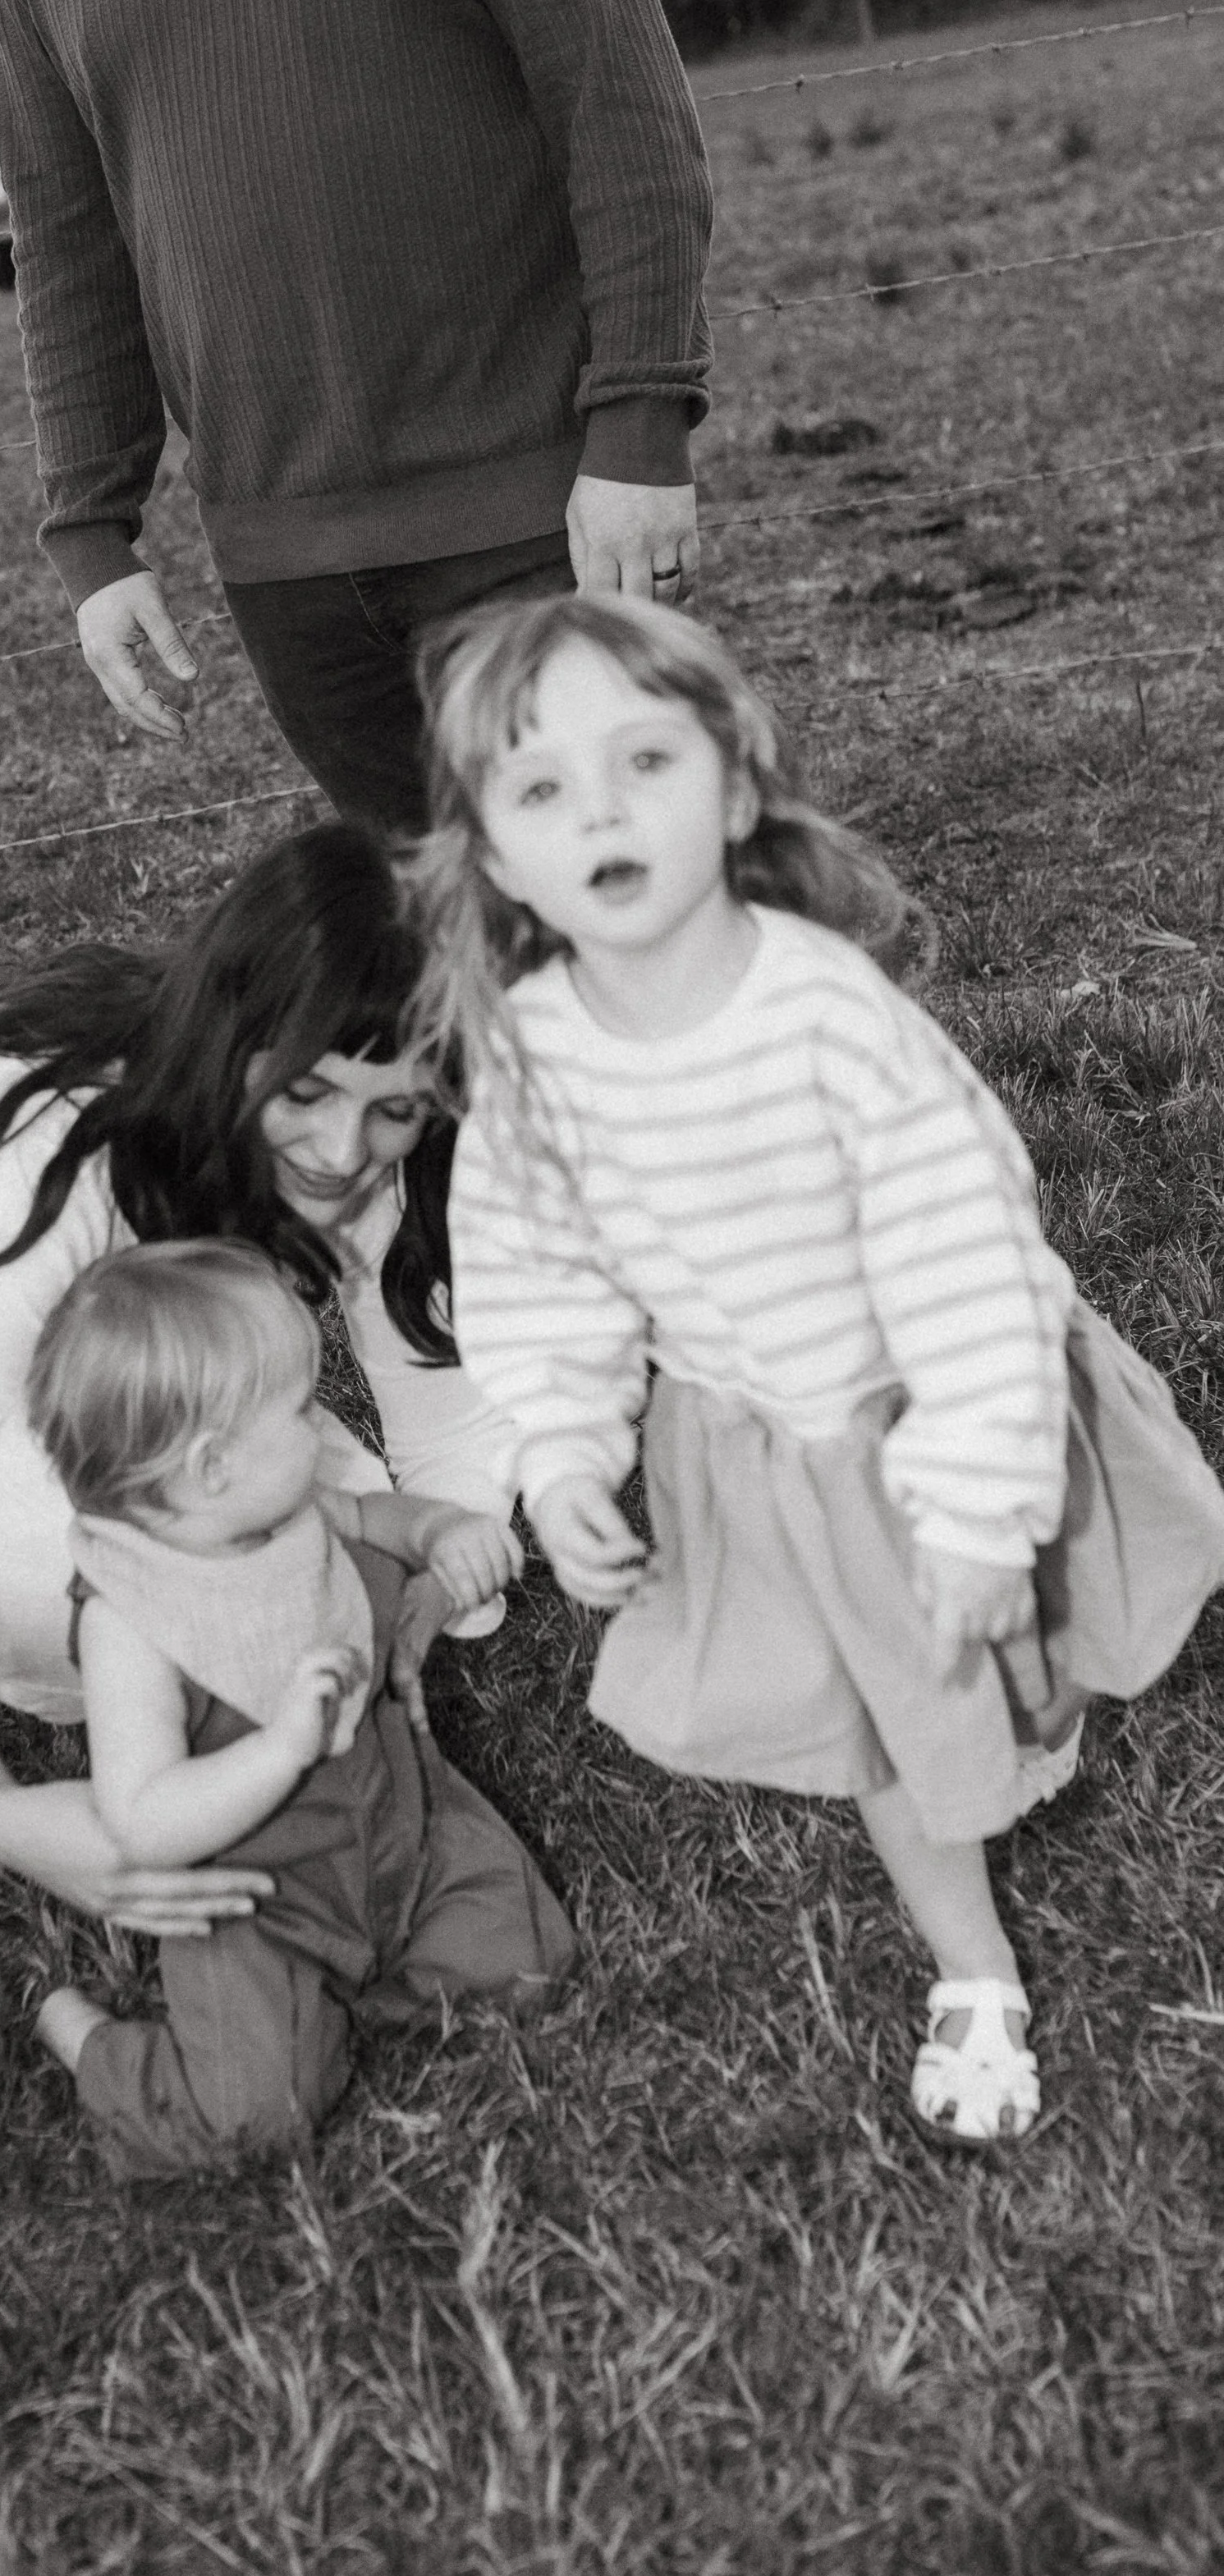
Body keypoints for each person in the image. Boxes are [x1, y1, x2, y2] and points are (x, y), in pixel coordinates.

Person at [406, 594, 1224, 2145]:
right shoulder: (526, 1060)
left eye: (641, 759)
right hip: (762, 1447)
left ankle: (1014, 1705)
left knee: (1014, 1635)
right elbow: (538, 1282)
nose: (599, 810)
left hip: (944, 1394)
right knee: (894, 1728)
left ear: (730, 787)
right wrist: (564, 1453)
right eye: (539, 789)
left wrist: (984, 1506)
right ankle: (972, 1962)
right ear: (496, 856)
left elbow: (968, 1263)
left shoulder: (829, 1017)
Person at [0, 0, 714, 835]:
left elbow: (618, 104)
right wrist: (91, 535)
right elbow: (69, 239)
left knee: (645, 907)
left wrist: (642, 428)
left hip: (537, 516)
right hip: (285, 565)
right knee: (448, 950)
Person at [0, 821, 538, 1930]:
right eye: (305, 1091)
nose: (345, 1149)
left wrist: (434, 1585)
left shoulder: (371, 1145)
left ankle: (220, 1672)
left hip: (124, 1379)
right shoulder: (55, 1160)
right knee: (74, 1526)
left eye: (395, 1109)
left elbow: (450, 1427)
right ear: (232, 1034)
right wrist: (1, 1815)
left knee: (275, 1477)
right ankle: (82, 1655)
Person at [25, 1239, 575, 2174]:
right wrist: (277, 1749)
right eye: (298, 1410)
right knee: (255, 2116)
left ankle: (357, 1992)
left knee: (529, 1961)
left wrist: (439, 1528)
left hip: (402, 1826)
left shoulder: (278, 1506)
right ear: (209, 1467)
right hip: (261, 1903)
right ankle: (95, 2046)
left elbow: (371, 1521)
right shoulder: (132, 1621)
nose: (318, 1425)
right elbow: (144, 1819)